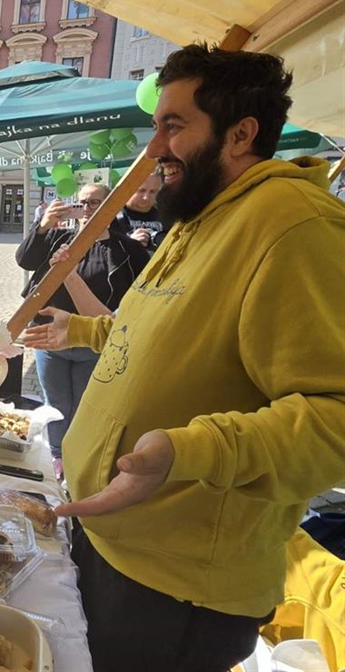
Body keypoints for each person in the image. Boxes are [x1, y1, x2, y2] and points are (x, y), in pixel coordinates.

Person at [22, 44, 345, 672]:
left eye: (174, 126)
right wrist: (83, 331)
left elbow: (335, 417)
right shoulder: (200, 218)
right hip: (114, 544)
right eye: (156, 125)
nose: (155, 146)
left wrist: (189, 450)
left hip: (176, 589)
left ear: (240, 134)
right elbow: (164, 334)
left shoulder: (295, 225)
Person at [15, 183, 148, 466]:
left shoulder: (127, 249)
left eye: (95, 203)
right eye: (82, 203)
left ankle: (77, 456)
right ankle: (57, 458)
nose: (87, 210)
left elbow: (138, 299)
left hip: (94, 343)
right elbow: (25, 260)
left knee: (82, 407)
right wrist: (43, 225)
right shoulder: (59, 237)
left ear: (112, 207)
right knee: (56, 405)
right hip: (51, 341)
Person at [115, 166, 168, 250]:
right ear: (128, 188)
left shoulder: (166, 216)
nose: (146, 197)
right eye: (141, 190)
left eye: (152, 191)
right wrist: (129, 243)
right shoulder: (112, 217)